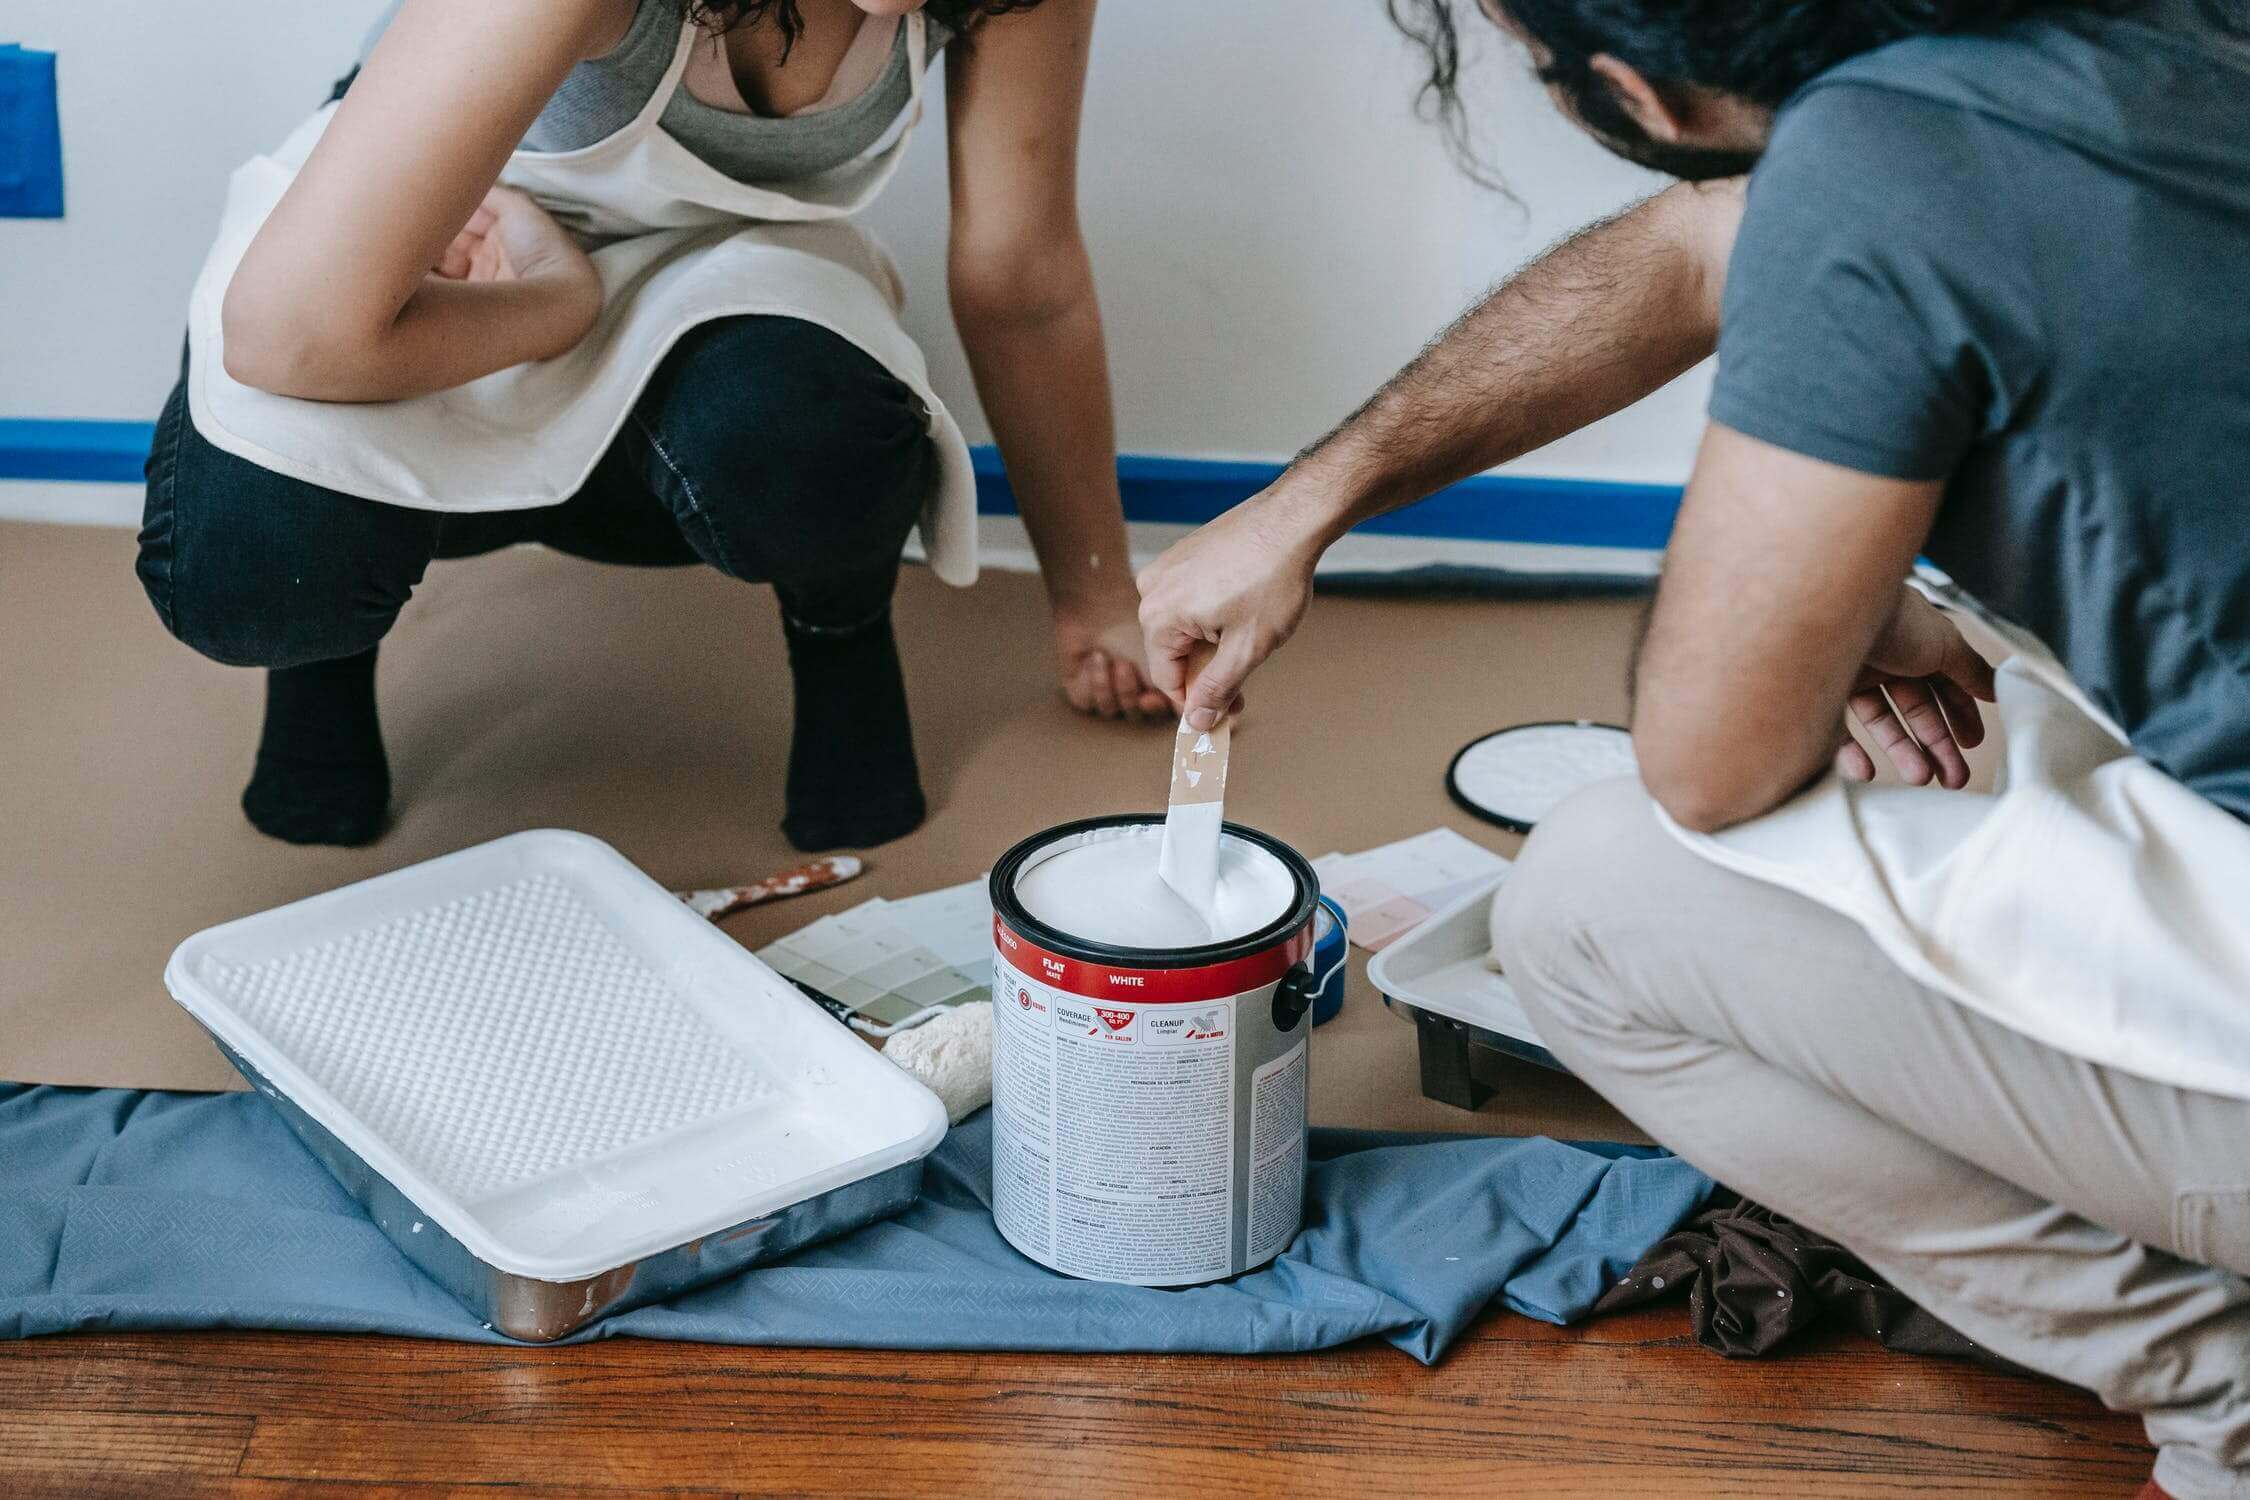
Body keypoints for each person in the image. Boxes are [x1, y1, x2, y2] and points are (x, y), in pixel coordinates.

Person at [1134, 1, 2250, 1494]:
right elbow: (1686, 251)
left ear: (1633, 91)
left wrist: (1822, 605)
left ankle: (2221, 1392)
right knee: (2002, 732)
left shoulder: (1876, 170)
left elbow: (1707, 759)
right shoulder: (2112, 40)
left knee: (1585, 905)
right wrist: (1303, 506)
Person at [139, 0, 1167, 853]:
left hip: (719, 266)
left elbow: (1020, 283)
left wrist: (1096, 595)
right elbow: (296, 335)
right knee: (253, 561)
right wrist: (555, 301)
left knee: (811, 438)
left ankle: (839, 630)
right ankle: (323, 657)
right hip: (450, 268)